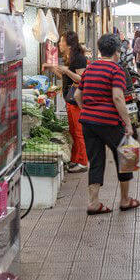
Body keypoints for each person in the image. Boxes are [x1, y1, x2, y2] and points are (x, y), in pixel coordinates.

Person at [74, 34, 140, 214]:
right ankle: (125, 200)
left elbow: (77, 96)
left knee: (95, 161)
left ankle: (93, 203)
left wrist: (88, 111)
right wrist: (128, 124)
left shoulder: (90, 68)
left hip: (88, 122)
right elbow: (118, 97)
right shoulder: (115, 69)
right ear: (117, 52)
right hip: (110, 122)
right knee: (127, 156)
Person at [43, 31, 88, 173]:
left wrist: (66, 70)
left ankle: (83, 162)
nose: (59, 44)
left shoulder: (79, 58)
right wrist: (51, 67)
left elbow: (81, 79)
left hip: (77, 101)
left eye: (61, 41)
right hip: (70, 99)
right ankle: (75, 159)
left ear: (68, 44)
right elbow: (63, 75)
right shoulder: (70, 57)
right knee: (73, 131)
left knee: (79, 132)